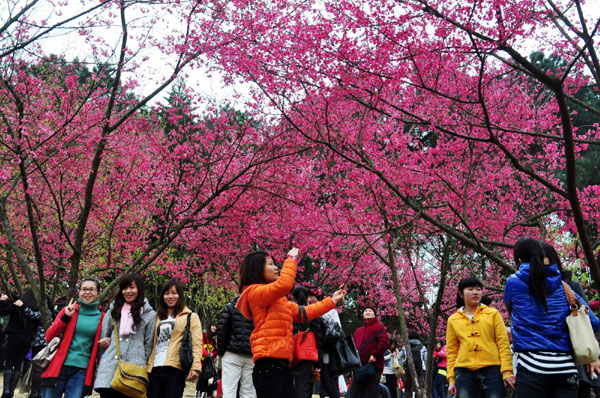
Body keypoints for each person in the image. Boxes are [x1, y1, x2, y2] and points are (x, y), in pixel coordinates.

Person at [235, 248, 347, 398]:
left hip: (282, 364)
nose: (276, 267)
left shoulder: (277, 299)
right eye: (271, 264)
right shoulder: (255, 293)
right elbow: (285, 285)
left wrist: (332, 301)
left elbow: (304, 313)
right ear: (257, 269)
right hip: (268, 364)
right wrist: (290, 260)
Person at [504, 238, 600, 398]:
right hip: (565, 368)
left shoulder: (513, 282)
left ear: (519, 260)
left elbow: (510, 307)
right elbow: (594, 323)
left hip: (531, 367)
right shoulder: (565, 287)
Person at [446, 276, 514, 398]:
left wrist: (507, 372)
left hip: (492, 369)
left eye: (478, 289)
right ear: (461, 294)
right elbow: (451, 351)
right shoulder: (453, 320)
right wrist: (451, 379)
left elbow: (503, 343)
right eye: (470, 289)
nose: (475, 292)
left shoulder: (492, 314)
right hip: (464, 371)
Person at [94, 274, 156, 398]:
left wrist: (141, 362)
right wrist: (102, 361)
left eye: (132, 287)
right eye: (124, 288)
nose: (128, 291)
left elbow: (148, 344)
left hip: (133, 370)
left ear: (139, 289)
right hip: (109, 368)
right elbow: (103, 336)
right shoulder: (114, 308)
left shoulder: (150, 314)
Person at [40, 278, 104, 398]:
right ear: (79, 292)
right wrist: (65, 318)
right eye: (84, 289)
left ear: (98, 293)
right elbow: (49, 337)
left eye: (92, 289)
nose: (87, 292)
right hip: (59, 366)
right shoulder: (68, 310)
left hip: (82, 370)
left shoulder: (102, 318)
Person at [146, 279, 202, 398]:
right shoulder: (156, 317)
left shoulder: (191, 316)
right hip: (154, 368)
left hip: (176, 368)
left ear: (180, 295)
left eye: (174, 293)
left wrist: (196, 367)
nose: (170, 296)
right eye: (166, 293)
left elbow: (197, 343)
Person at [0, 289, 41, 398]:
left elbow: (1, 312)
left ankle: (7, 390)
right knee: (18, 365)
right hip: (27, 339)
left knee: (9, 363)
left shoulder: (17, 306)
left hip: (13, 337)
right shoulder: (35, 310)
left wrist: (2, 301)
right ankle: (12, 390)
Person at [217, 295, 255, 398]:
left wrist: (220, 351)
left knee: (229, 390)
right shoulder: (259, 307)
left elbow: (222, 330)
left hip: (232, 353)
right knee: (248, 392)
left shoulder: (231, 306)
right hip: (252, 354)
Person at [348, 306, 390, 397]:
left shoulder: (379, 327)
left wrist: (375, 355)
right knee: (354, 392)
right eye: (365, 311)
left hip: (373, 366)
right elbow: (353, 346)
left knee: (372, 392)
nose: (367, 312)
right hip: (359, 366)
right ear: (362, 315)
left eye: (370, 311)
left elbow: (384, 342)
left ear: (374, 315)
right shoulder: (358, 331)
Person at [308, 291, 340, 398]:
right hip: (310, 349)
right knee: (312, 382)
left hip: (325, 349)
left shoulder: (330, 311)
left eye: (312, 296)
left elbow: (336, 330)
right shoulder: (305, 310)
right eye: (308, 296)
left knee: (327, 379)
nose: (310, 299)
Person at [196, 322, 218, 398]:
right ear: (209, 327)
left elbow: (216, 350)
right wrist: (206, 353)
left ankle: (204, 395)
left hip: (209, 363)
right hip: (202, 361)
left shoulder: (214, 339)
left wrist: (213, 354)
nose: (214, 328)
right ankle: (198, 394)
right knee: (201, 378)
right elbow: (200, 345)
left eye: (215, 326)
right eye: (213, 326)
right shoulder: (203, 335)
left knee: (208, 378)